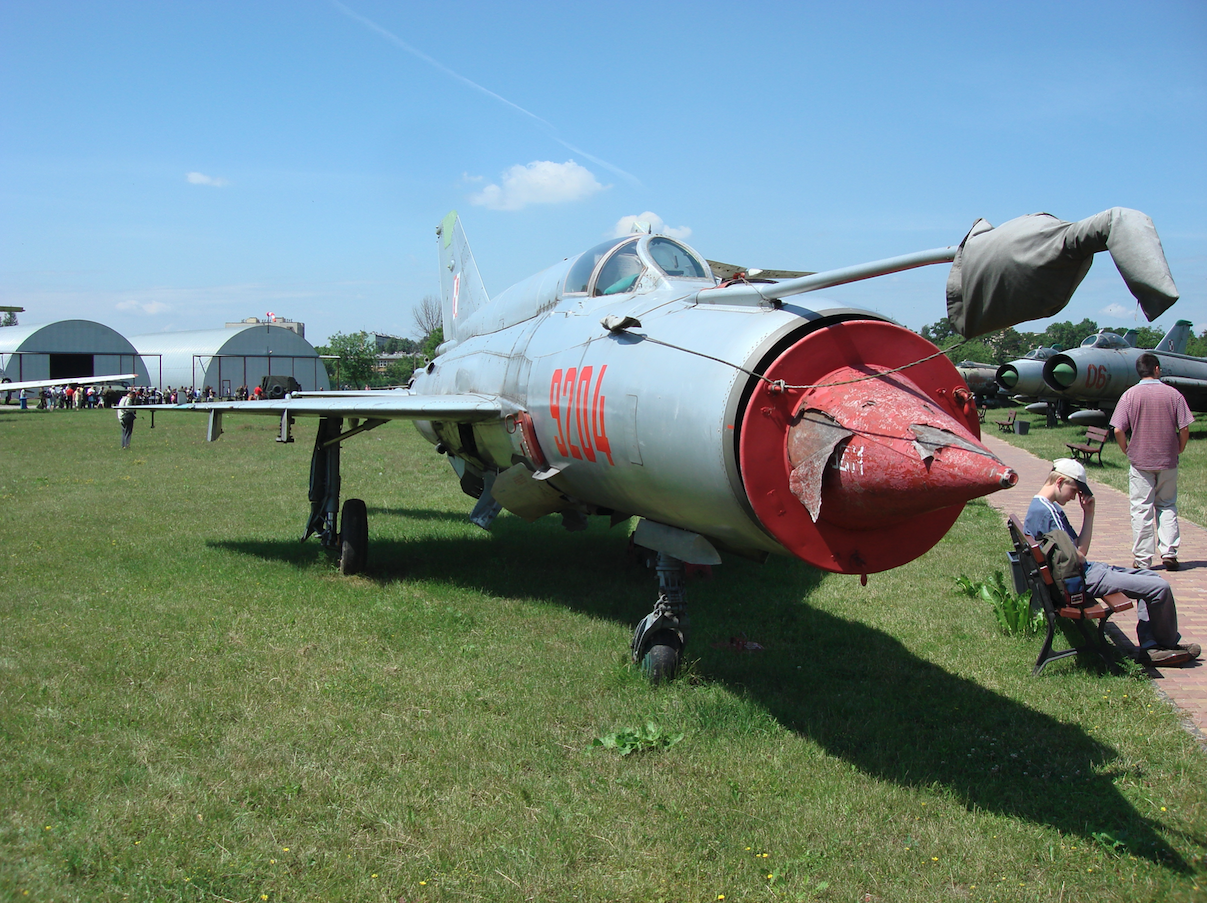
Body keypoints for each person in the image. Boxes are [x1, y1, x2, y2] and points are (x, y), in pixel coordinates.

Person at [1024, 458, 1199, 667]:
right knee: (1158, 587)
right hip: (1081, 579)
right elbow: (1079, 556)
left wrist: (1089, 513)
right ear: (1060, 481)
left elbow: (1078, 551)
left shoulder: (1045, 507)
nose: (1074, 496)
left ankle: (1153, 645)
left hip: (1082, 574)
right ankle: (1164, 645)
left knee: (1151, 577)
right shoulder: (1047, 512)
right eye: (1075, 489)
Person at [1110, 353, 1194, 570]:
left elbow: (1118, 428)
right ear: (1157, 369)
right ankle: (1169, 552)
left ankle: (1143, 558)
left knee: (1141, 508)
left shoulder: (1129, 395)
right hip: (1167, 459)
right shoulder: (1173, 395)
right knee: (1167, 505)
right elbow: (1184, 427)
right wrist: (1180, 446)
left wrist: (1125, 448)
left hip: (1140, 460)